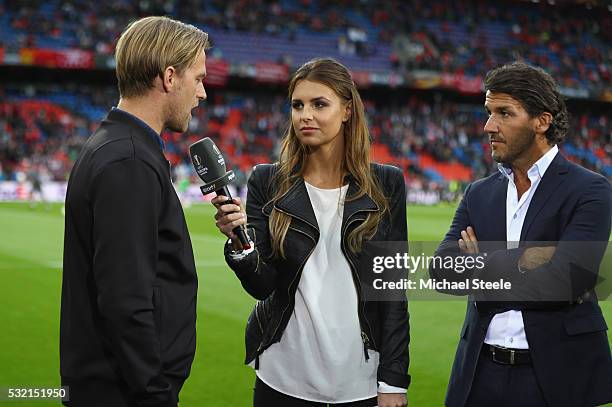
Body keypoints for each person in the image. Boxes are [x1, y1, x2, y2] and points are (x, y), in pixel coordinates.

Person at [213, 58, 410, 407]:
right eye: (297, 105)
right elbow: (262, 285)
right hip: (282, 375)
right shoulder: (266, 180)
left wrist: (394, 380)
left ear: (347, 110)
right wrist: (240, 245)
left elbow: (392, 290)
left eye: (319, 104)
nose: (305, 114)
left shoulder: (387, 183)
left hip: (359, 380)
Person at [431, 62, 612, 407]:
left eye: (504, 113)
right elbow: (442, 272)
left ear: (541, 122)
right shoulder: (478, 193)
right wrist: (526, 259)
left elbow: (566, 282)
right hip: (479, 373)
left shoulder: (591, 190)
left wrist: (481, 270)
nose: (488, 126)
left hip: (555, 377)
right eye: (488, 112)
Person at [60, 16, 208, 407]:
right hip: (123, 393)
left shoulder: (117, 145)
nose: (203, 92)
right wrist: (156, 395)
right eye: (198, 78)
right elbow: (125, 301)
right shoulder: (129, 159)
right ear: (170, 77)